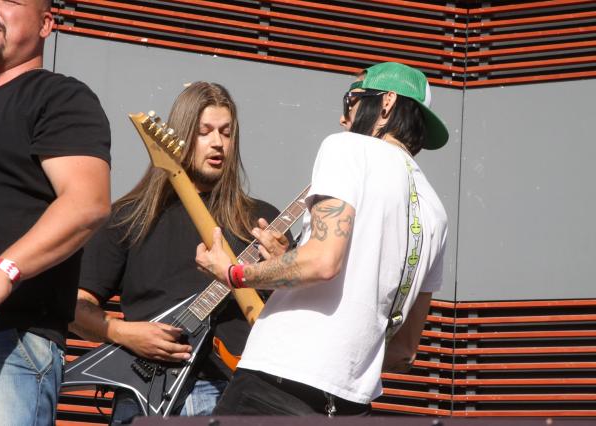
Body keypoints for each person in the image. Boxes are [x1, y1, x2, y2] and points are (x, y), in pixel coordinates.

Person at [196, 62, 449, 416]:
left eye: (352, 100)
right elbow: (405, 350)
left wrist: (233, 273)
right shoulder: (435, 210)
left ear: (387, 103)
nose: (345, 117)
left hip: (276, 383)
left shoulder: (349, 148)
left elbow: (322, 262)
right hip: (351, 404)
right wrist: (291, 259)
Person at [69, 81, 289, 425]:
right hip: (145, 393)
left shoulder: (260, 222)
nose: (217, 143)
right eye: (204, 132)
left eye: (226, 132)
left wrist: (283, 271)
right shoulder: (130, 217)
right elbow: (75, 307)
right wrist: (125, 333)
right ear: (180, 136)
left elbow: (299, 320)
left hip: (234, 393)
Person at [0, 0, 112, 425]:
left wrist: (2, 272)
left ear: (46, 24)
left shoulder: (60, 98)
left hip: (2, 345)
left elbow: (87, 203)